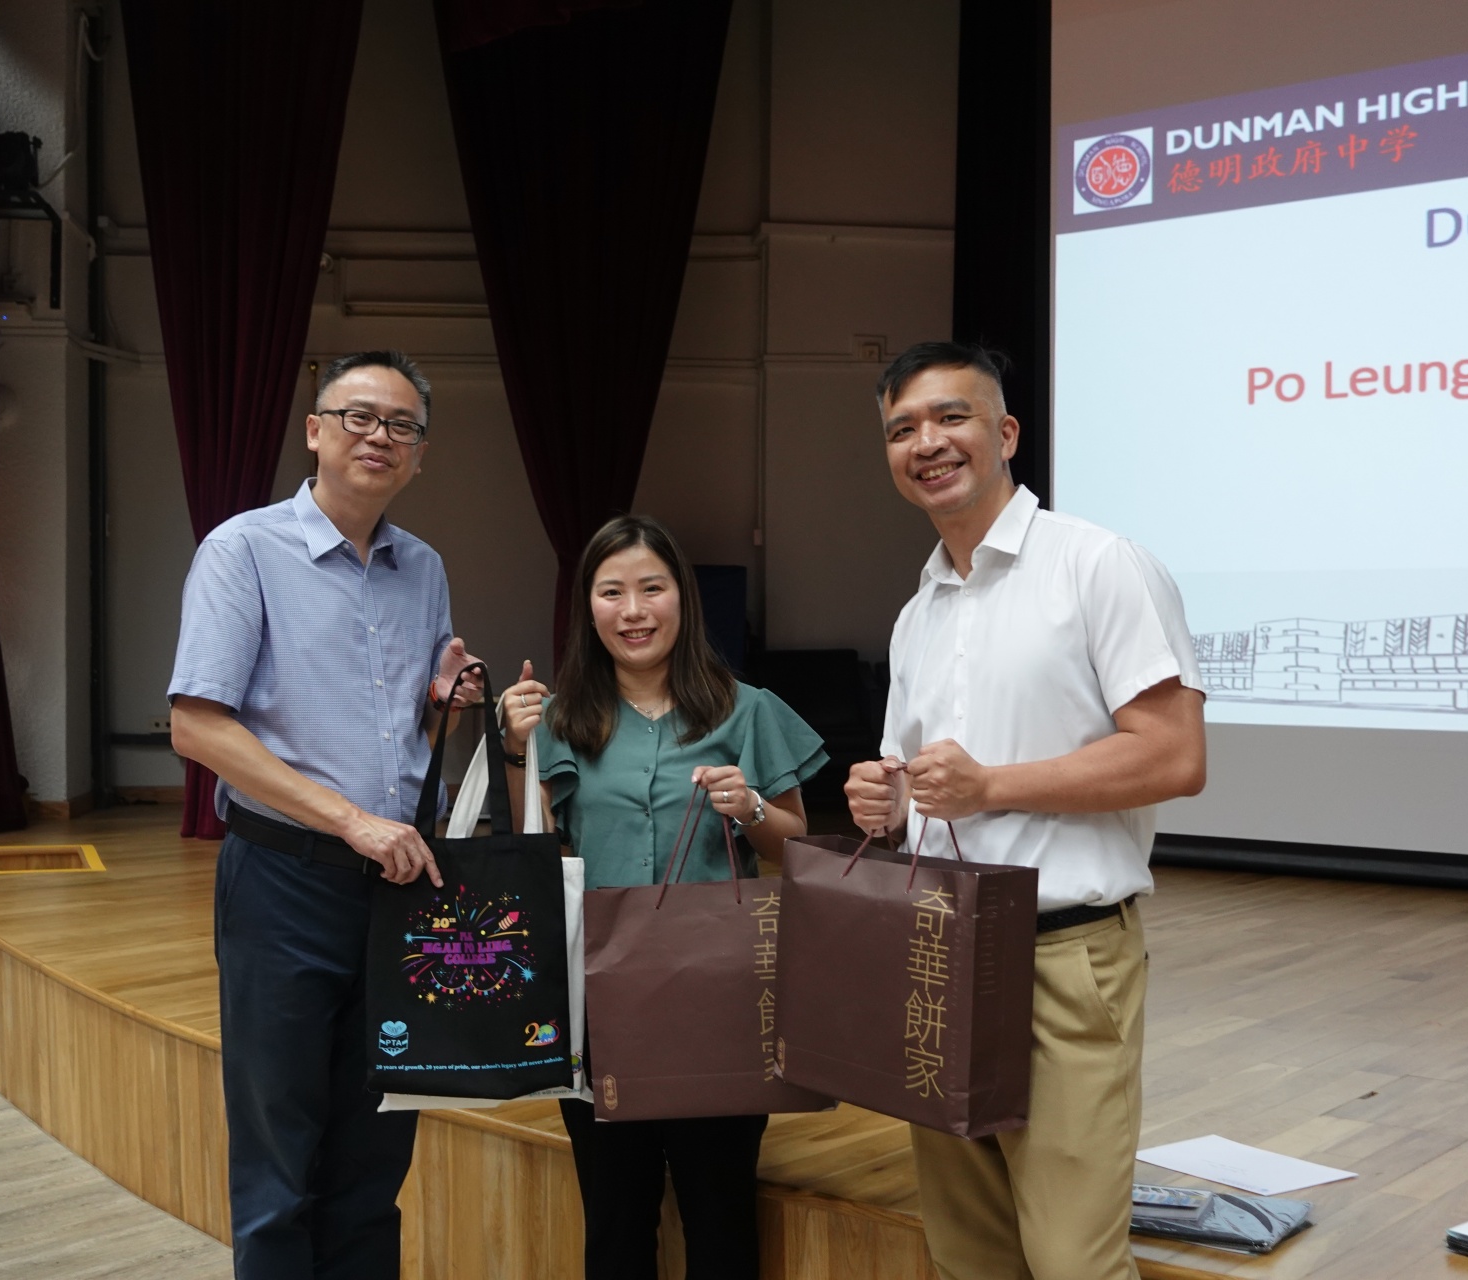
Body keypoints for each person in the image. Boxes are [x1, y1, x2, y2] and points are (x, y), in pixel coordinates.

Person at [844, 342, 1207, 1280]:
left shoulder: (1099, 565)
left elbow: (1174, 755)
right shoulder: (918, 611)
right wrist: (885, 802)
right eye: (901, 429)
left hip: (1063, 958)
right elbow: (921, 787)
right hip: (938, 950)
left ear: (1005, 433)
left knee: (1073, 1260)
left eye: (951, 417)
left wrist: (992, 786)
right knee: (970, 1255)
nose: (927, 442)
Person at [168, 350, 486, 1280]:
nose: (379, 436)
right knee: (279, 1157)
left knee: (376, 1152)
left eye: (402, 425)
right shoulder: (242, 550)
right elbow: (197, 726)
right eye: (358, 416)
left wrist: (442, 703)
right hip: (285, 883)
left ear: (420, 455)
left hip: (399, 891)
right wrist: (349, 820)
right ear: (314, 431)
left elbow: (398, 727)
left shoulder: (423, 567)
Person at [495, 514, 827, 1280]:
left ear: (684, 598)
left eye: (652, 588)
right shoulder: (559, 719)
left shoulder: (747, 709)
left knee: (721, 1217)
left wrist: (749, 806)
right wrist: (517, 750)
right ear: (588, 607)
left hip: (721, 1001)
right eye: (612, 592)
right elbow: (533, 847)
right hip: (598, 1001)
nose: (634, 610)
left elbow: (795, 849)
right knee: (615, 1222)